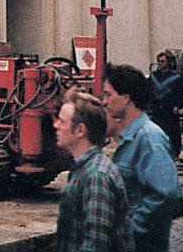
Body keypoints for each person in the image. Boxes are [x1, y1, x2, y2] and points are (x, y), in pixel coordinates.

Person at [102, 63, 182, 252]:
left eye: (108, 94)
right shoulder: (132, 139)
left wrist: (129, 230)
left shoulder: (149, 138)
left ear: (126, 98)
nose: (104, 101)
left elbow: (166, 193)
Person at [53, 88, 135, 252]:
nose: (56, 125)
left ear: (80, 130)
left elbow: (96, 245)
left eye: (62, 121)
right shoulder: (83, 168)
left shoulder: (96, 176)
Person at [148, 51, 183, 157]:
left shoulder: (176, 77)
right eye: (159, 61)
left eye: (163, 61)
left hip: (170, 109)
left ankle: (174, 151)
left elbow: (180, 94)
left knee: (172, 131)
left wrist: (178, 105)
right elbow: (148, 91)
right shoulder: (154, 77)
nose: (160, 63)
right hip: (157, 109)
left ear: (168, 62)